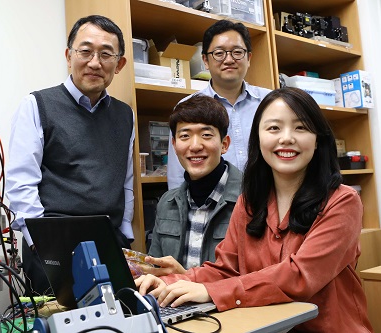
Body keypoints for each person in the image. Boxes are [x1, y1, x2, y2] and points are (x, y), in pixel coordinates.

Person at [136, 87, 373, 332]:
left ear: (318, 141)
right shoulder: (249, 201)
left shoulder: (343, 201)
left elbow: (300, 276)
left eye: (300, 127)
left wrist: (211, 291)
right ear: (258, 139)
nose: (286, 138)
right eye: (273, 128)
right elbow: (226, 268)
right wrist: (168, 283)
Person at [5, 15, 135, 295]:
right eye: (85, 51)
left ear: (119, 64)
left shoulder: (126, 115)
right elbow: (20, 185)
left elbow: (125, 180)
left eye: (106, 54)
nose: (94, 62)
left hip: (109, 242)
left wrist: (125, 234)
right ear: (69, 56)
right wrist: (42, 244)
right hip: (53, 244)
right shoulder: (37, 105)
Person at [144, 95, 242, 277]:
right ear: (174, 145)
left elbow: (256, 278)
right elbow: (156, 270)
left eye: (206, 135)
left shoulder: (251, 198)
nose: (195, 146)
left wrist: (190, 280)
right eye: (185, 136)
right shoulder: (167, 202)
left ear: (224, 144)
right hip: (174, 304)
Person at [167, 20, 271, 189]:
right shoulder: (188, 107)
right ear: (205, 61)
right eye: (219, 53)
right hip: (212, 207)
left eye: (237, 52)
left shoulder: (271, 102)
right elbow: (177, 175)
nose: (229, 59)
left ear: (249, 58)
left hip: (269, 202)